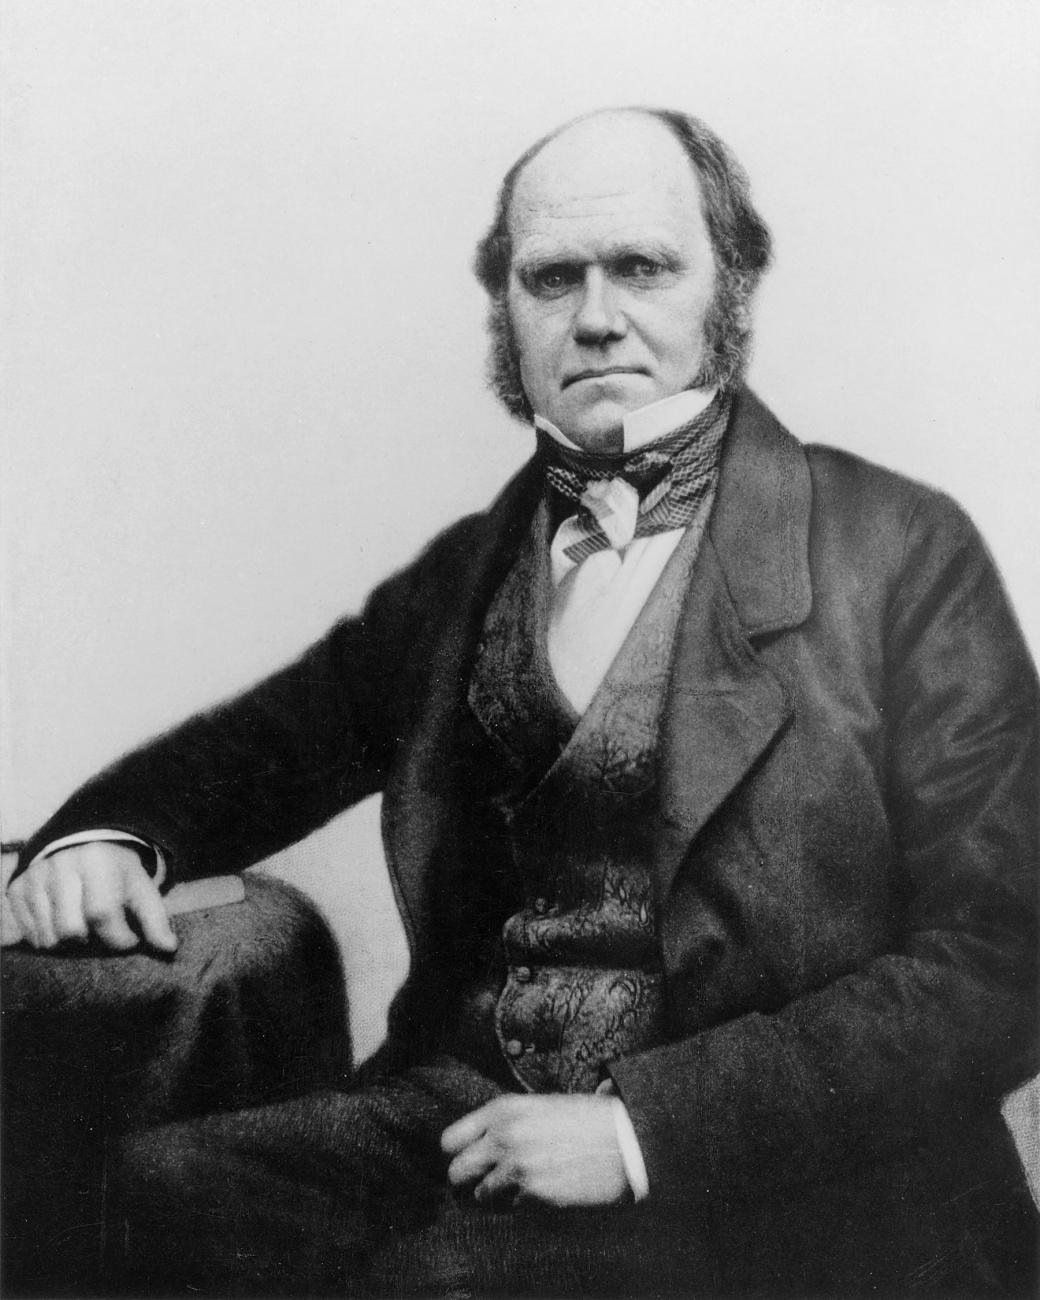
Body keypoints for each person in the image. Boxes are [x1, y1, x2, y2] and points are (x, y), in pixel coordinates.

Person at [5, 107, 1038, 1297]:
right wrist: (106, 834)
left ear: (731, 282)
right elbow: (262, 746)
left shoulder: (898, 551)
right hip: (471, 1115)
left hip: (772, 1184)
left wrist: (642, 1129)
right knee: (143, 1195)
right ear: (507, 309)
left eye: (641, 268)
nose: (594, 316)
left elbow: (1000, 958)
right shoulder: (472, 572)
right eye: (552, 278)